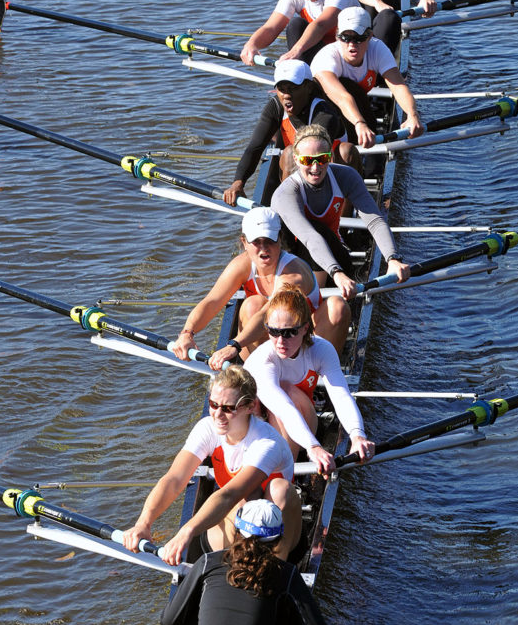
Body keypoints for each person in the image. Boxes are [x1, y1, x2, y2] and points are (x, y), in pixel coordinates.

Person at [122, 366, 301, 564]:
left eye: (228, 408)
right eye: (213, 404)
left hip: (275, 535)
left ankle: (275, 567)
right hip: (234, 529)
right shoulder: (208, 428)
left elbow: (230, 495)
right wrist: (143, 523)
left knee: (277, 489)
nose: (217, 414)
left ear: (250, 406)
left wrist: (185, 531)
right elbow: (174, 480)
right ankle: (229, 565)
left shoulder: (266, 443)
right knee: (242, 503)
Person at [170, 206, 351, 360]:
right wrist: (187, 333)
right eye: (256, 241)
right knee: (251, 305)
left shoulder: (292, 273)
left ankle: (318, 382)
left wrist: (234, 344)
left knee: (337, 305)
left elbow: (267, 313)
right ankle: (262, 377)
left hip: (302, 343)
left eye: (269, 241)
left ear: (280, 240)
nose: (264, 248)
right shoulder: (241, 265)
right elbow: (212, 302)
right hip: (269, 345)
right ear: (244, 242)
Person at [160, 500, 329, 625]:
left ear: (237, 530)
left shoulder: (207, 562)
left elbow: (168, 622)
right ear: (278, 538)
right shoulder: (288, 573)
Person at [271, 123, 411, 300]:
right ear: (297, 159)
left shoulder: (345, 176)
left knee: (323, 234)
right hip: (291, 261)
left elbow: (375, 221)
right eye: (308, 160)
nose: (315, 167)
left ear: (330, 157)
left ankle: (319, 299)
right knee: (316, 231)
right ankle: (312, 301)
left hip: (332, 254)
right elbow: (309, 237)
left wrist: (393, 259)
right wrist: (337, 273)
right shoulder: (286, 193)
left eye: (321, 159)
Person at [244, 287, 375, 475]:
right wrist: (313, 446)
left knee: (288, 391)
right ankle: (280, 474)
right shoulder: (262, 361)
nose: (280, 341)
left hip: (303, 421)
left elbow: (341, 396)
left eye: (289, 333)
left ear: (305, 328)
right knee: (283, 394)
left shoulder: (321, 349)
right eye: (273, 331)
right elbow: (283, 408)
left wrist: (357, 435)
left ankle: (284, 476)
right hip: (259, 430)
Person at [222, 60, 359, 209]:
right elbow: (255, 147)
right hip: (302, 172)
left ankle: (341, 226)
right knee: (289, 154)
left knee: (346, 151)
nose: (286, 95)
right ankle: (288, 217)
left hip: (327, 173)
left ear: (308, 87)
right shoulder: (275, 107)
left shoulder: (325, 113)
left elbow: (315, 158)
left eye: (292, 88)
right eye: (281, 89)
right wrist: (238, 182)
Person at [310, 6, 423, 149]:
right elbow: (342, 97)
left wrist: (412, 115)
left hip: (356, 103)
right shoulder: (327, 58)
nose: (352, 44)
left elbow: (398, 86)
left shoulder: (377, 48)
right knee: (348, 88)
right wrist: (360, 123)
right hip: (325, 110)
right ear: (337, 36)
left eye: (358, 38)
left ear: (370, 36)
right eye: (346, 37)